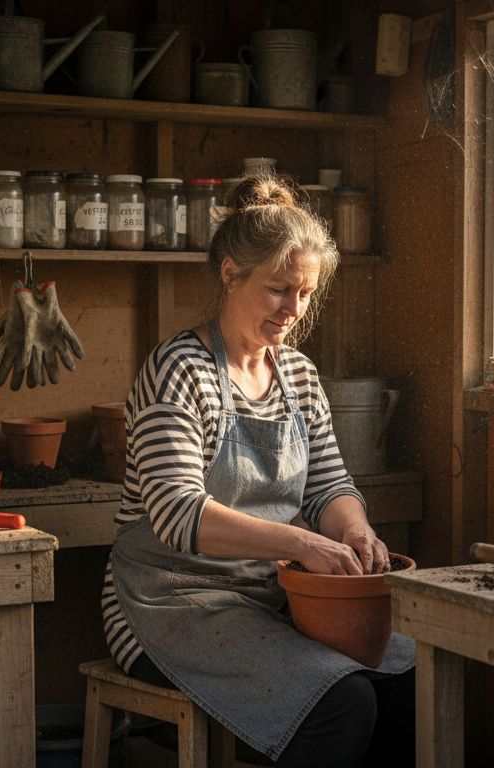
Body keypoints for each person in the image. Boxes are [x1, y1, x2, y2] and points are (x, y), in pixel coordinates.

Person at [101, 176, 415, 767]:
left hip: (269, 597)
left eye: (305, 293)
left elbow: (328, 485)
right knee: (342, 703)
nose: (293, 310)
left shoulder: (297, 374)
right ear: (229, 273)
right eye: (278, 290)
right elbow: (177, 514)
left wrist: (353, 532)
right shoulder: (178, 370)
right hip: (168, 603)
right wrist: (302, 542)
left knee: (405, 681)